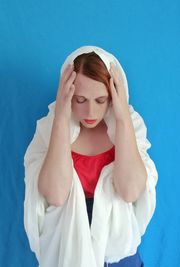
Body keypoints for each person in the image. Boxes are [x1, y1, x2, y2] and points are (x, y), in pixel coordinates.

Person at [23, 45, 158, 267]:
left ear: (114, 96)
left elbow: (130, 191)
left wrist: (122, 118)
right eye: (80, 100)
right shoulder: (50, 128)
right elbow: (55, 195)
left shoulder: (130, 125)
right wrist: (61, 119)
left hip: (118, 255)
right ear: (67, 93)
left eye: (100, 100)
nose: (90, 113)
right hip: (66, 251)